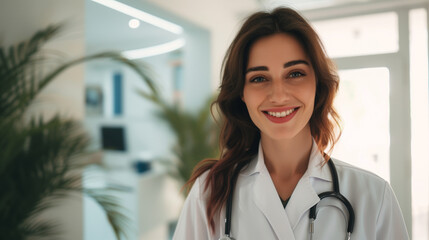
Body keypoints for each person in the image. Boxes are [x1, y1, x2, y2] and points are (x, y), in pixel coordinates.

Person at [173, 7, 409, 240]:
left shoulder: (374, 196)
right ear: (241, 93)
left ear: (317, 84)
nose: (278, 95)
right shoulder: (209, 193)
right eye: (259, 78)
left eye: (295, 74)